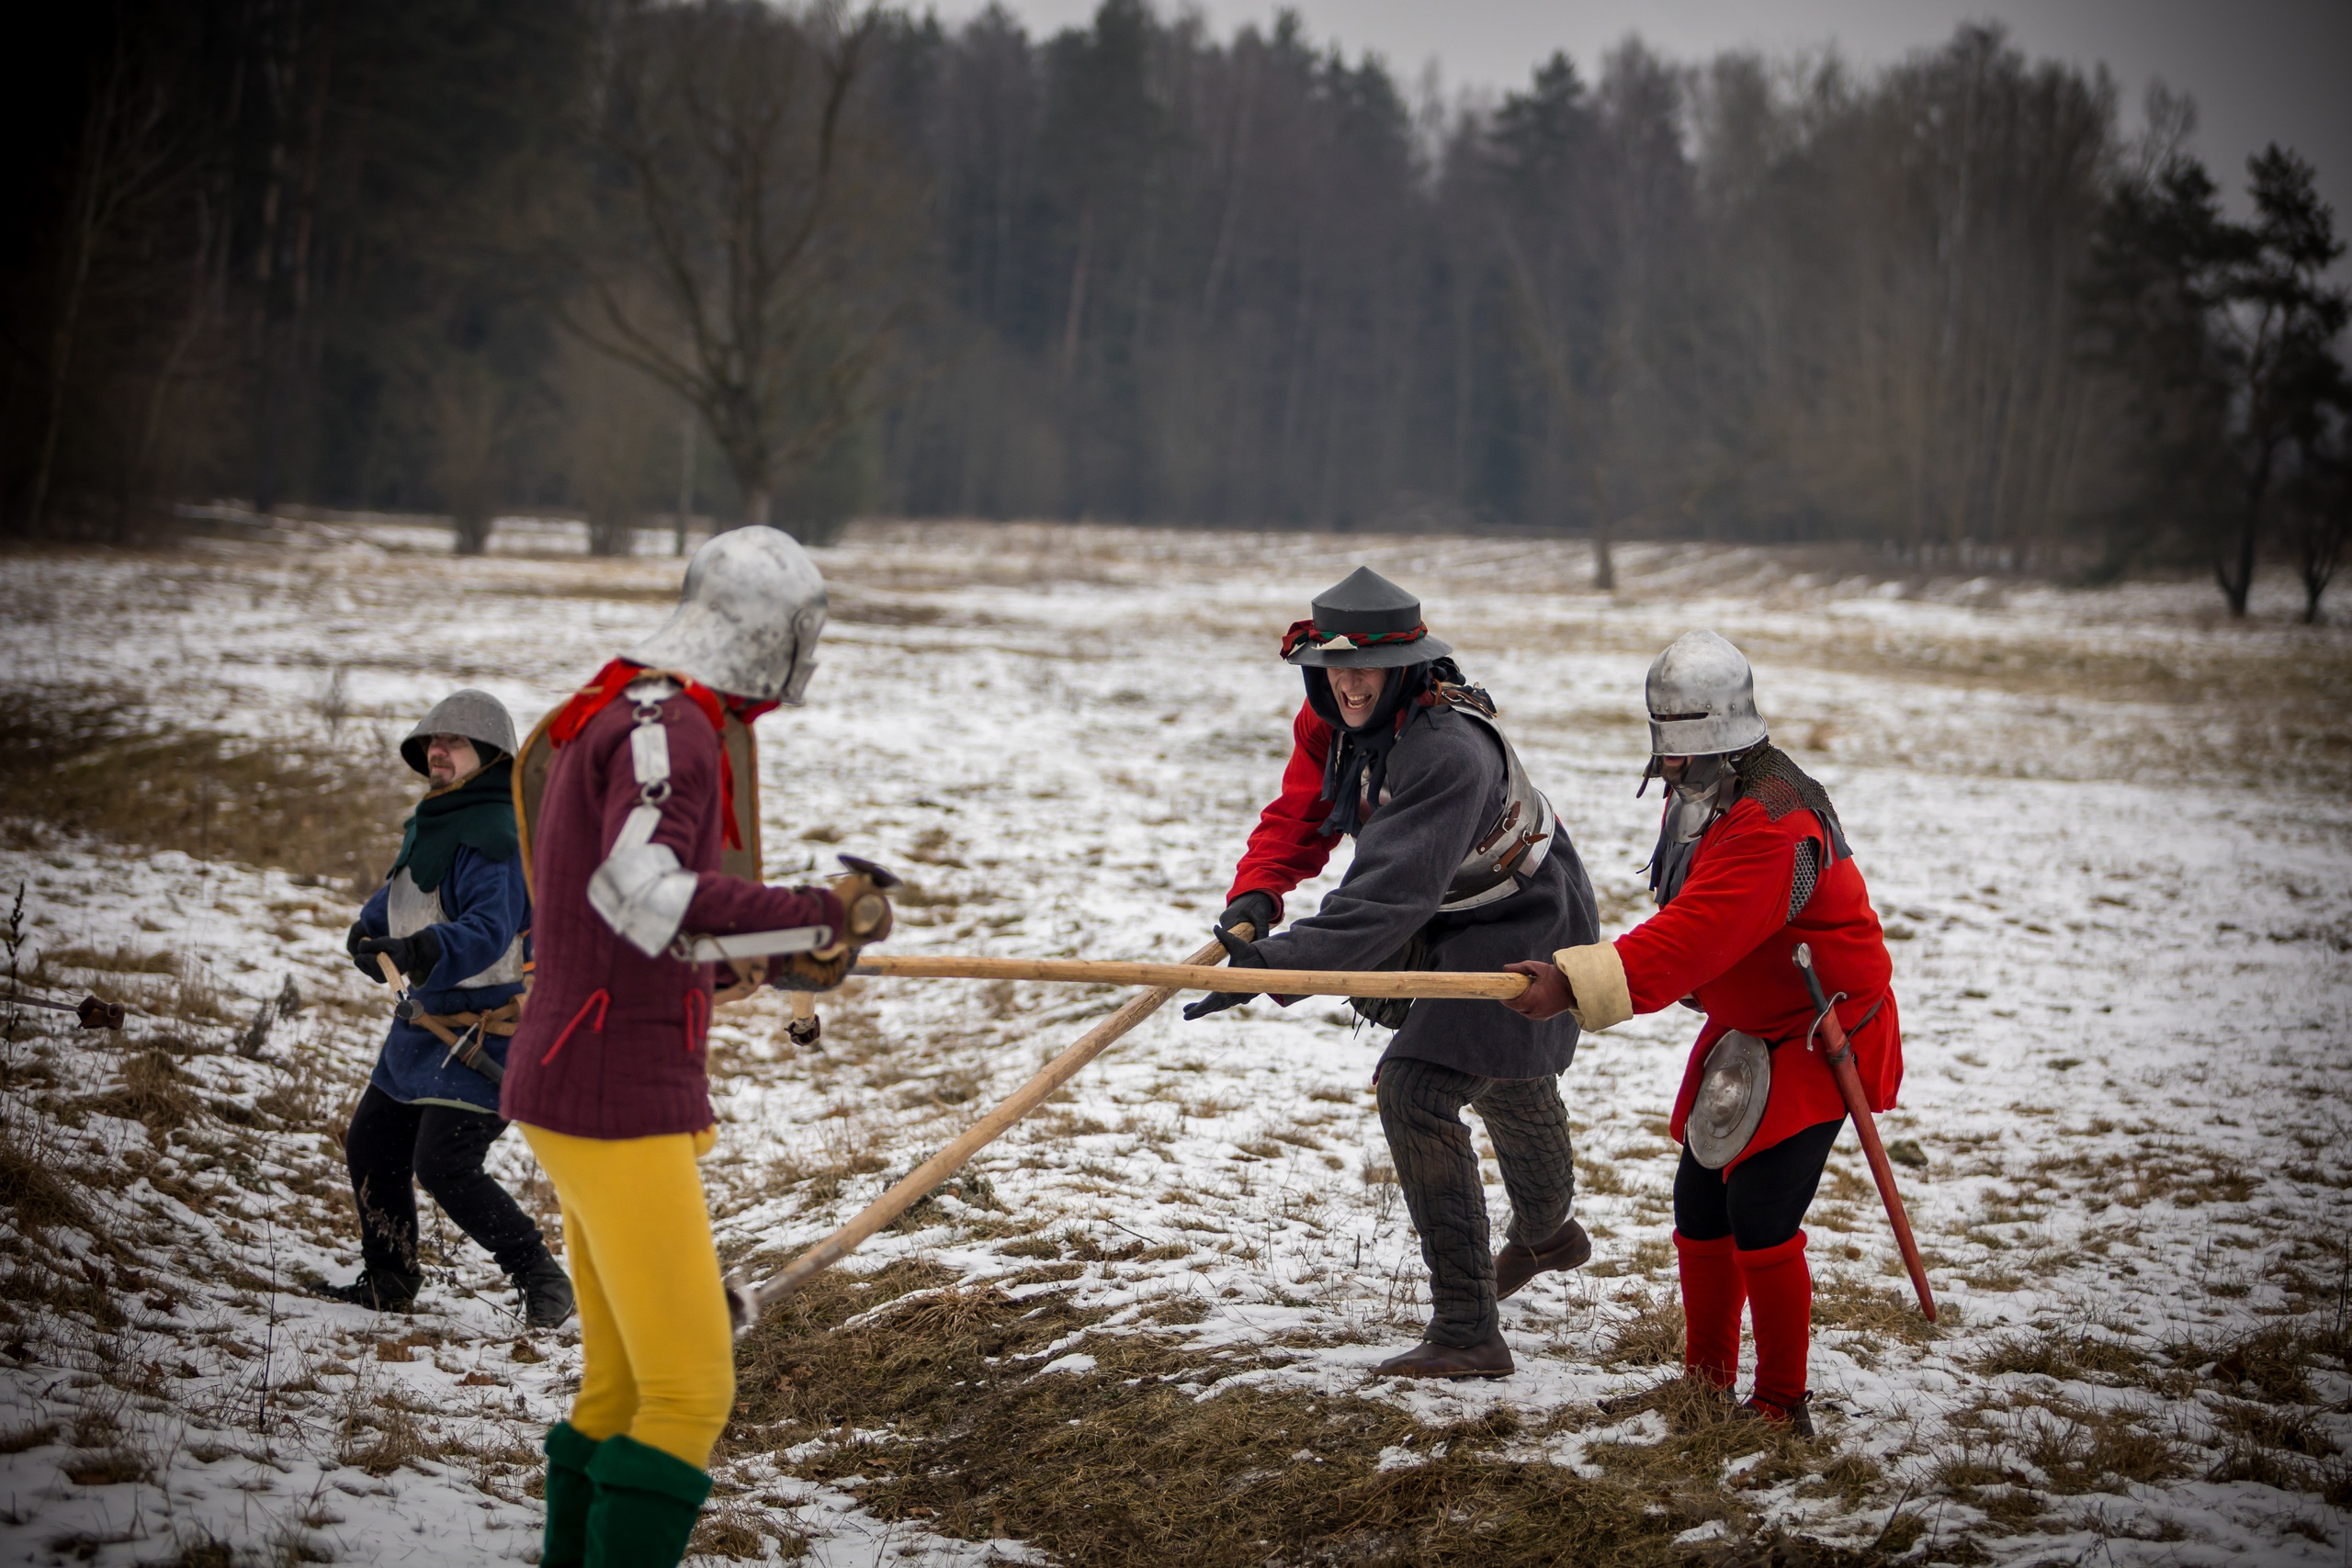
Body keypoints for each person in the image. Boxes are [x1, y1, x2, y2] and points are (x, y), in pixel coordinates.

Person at [500, 526, 895, 1568]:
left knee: (624, 1385)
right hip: (607, 1086)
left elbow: (627, 921)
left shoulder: (631, 704)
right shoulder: (666, 723)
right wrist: (815, 913)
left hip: (578, 1074)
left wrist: (776, 949)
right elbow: (643, 897)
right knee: (688, 1386)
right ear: (773, 637)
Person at [1188, 567, 1600, 1379]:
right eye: (1332, 665)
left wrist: (1273, 967)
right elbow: (1298, 817)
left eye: (1363, 667)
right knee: (1496, 1071)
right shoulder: (1337, 726)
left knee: (1421, 1088)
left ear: (1407, 665)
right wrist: (1255, 900)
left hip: (1523, 916)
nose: (1346, 681)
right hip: (1442, 913)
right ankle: (1551, 1236)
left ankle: (1466, 1333)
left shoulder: (1446, 749)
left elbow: (1384, 898)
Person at [1501, 631, 1903, 1435]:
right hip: (1750, 1025)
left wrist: (1575, 982)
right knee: (1699, 1202)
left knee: (1761, 1211)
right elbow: (1690, 920)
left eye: (1680, 740)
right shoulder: (1709, 794)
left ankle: (1781, 1405)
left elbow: (1696, 933)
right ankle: (1706, 1384)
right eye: (1663, 739)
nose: (1669, 759)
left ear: (1721, 729)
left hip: (1820, 1029)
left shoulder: (1773, 820)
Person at [322, 690, 573, 1329]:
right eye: (433, 741)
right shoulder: (435, 817)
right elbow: (403, 890)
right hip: (423, 1030)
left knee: (444, 1162)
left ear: (488, 756)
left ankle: (539, 1272)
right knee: (372, 1140)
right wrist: (369, 932)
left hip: (491, 1033)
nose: (438, 750)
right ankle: (390, 1275)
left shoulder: (497, 835)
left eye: (454, 742)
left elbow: (491, 929)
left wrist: (422, 948)